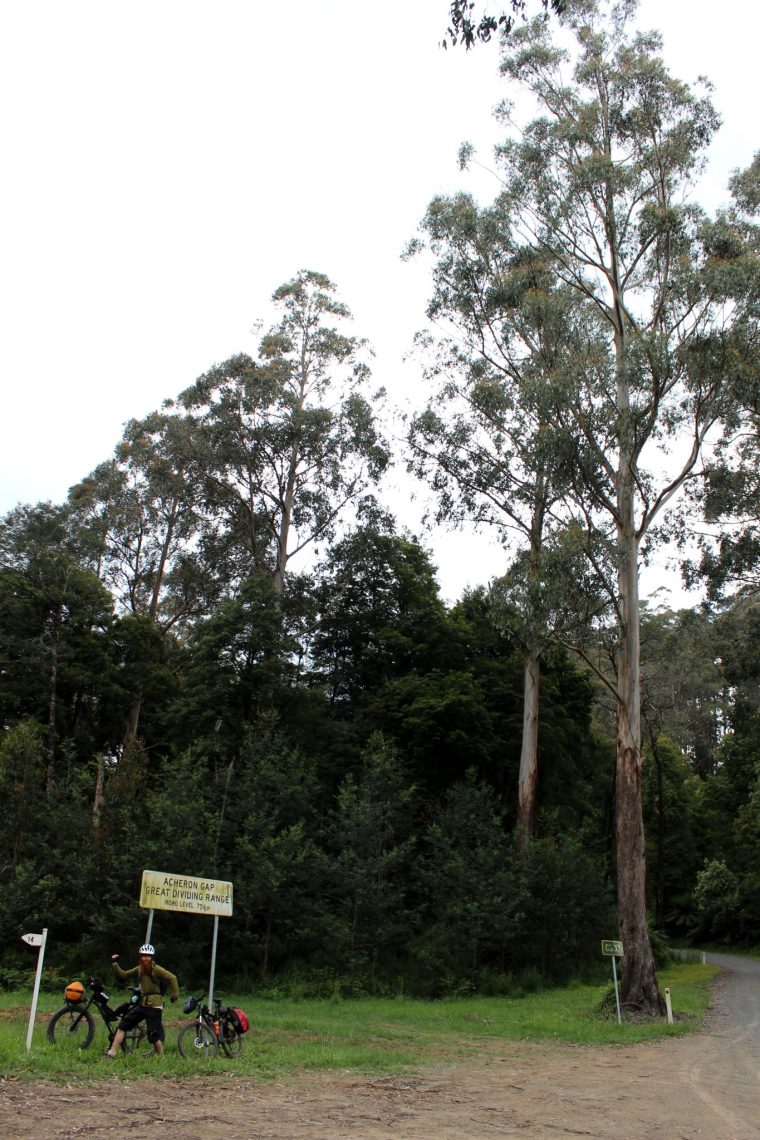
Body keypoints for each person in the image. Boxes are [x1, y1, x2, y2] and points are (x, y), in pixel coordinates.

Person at [104, 943, 179, 1057]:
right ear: (141, 957)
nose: (146, 958)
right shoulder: (139, 969)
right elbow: (123, 975)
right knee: (122, 1026)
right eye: (143, 956)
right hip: (143, 1004)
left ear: (151, 957)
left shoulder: (157, 969)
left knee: (153, 1035)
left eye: (148, 956)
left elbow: (172, 978)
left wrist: (175, 995)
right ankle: (111, 1053)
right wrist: (114, 963)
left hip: (154, 1006)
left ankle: (162, 1058)